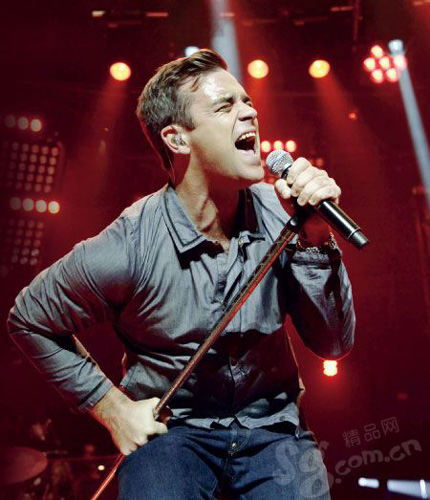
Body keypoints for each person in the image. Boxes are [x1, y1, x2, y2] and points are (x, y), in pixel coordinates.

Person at [8, 49, 355, 499]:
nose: (249, 112)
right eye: (225, 106)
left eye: (247, 101)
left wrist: (315, 238)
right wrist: (112, 408)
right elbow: (29, 317)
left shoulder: (284, 214)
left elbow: (333, 344)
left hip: (274, 428)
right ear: (177, 139)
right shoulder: (130, 245)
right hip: (174, 431)